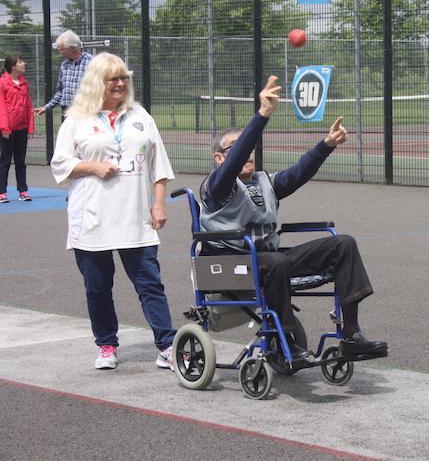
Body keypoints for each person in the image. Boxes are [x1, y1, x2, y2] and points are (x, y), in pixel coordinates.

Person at [198, 75, 387, 363]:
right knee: (276, 262)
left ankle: (351, 335)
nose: (245, 152)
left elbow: (298, 173)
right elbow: (234, 163)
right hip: (233, 264)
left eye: (246, 147)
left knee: (342, 245)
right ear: (219, 158)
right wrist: (262, 115)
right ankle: (286, 340)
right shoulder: (217, 186)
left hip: (270, 261)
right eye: (235, 149)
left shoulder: (264, 181)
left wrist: (326, 145)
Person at [50, 52, 176, 371]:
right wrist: (92, 166)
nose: (120, 84)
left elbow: (158, 166)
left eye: (123, 78)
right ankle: (106, 344)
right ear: (98, 83)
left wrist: (158, 204)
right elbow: (60, 163)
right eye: (113, 79)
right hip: (91, 221)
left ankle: (166, 345)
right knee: (97, 288)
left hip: (136, 220)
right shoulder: (77, 119)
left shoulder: (140, 116)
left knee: (150, 283)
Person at [34, 30, 93, 120]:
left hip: (86, 111)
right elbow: (61, 92)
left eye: (62, 49)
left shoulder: (92, 62)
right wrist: (46, 107)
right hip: (66, 112)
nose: (60, 52)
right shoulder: (64, 65)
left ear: (72, 47)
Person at [0, 55, 34, 203]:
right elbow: (1, 107)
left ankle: (23, 190)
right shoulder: (2, 82)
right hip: (7, 129)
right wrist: (4, 127)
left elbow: (28, 106)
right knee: (5, 160)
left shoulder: (24, 84)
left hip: (22, 127)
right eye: (20, 62)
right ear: (13, 66)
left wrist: (30, 126)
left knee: (20, 160)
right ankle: (2, 191)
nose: (23, 64)